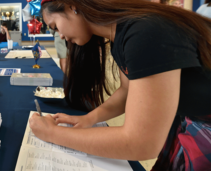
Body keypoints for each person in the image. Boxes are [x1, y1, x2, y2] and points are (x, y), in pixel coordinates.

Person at [29, 0, 211, 170]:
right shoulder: (122, 34)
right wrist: (89, 119)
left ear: (71, 6)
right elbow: (127, 91)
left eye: (55, 27)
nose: (61, 36)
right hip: (185, 122)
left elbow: (141, 143)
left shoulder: (145, 32)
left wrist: (52, 134)